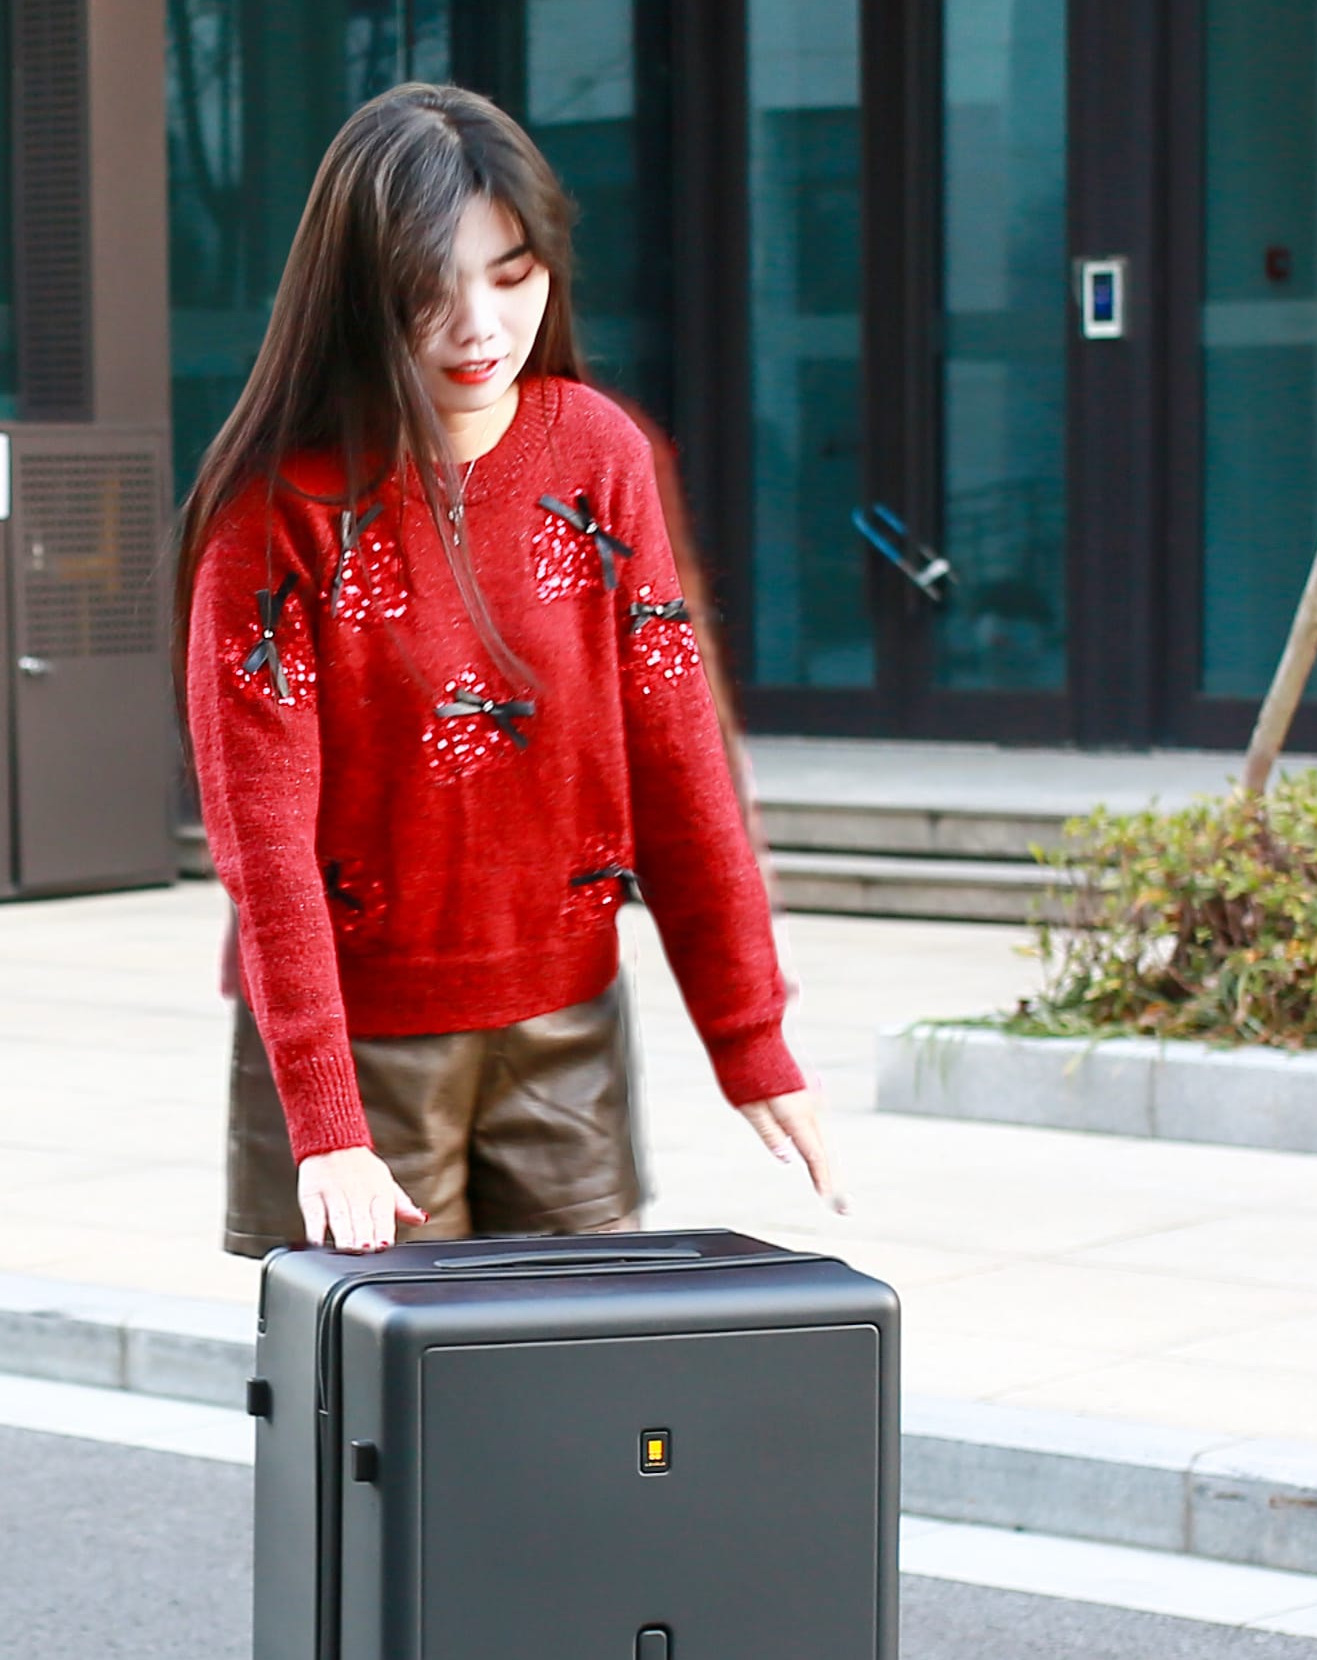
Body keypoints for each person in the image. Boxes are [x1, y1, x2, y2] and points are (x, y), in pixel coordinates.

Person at [177, 81, 844, 1259]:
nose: (478, 325)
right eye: (428, 290)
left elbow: (680, 761)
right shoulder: (275, 512)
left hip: (564, 1028)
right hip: (357, 1045)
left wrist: (750, 1038)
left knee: (571, 1408)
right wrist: (325, 1118)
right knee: (383, 1420)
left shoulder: (596, 453)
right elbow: (262, 842)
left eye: (511, 273)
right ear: (357, 295)